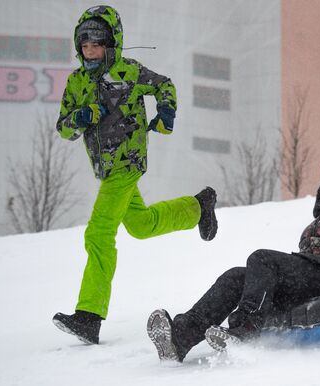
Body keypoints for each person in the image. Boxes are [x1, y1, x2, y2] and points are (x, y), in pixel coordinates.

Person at [147, 142, 320, 362]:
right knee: (237, 276)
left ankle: (245, 330)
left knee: (263, 259)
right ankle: (179, 340)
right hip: (311, 273)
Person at [52, 5, 218, 345]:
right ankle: (197, 207)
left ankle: (89, 315)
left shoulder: (129, 72)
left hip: (127, 162)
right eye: (85, 47)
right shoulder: (77, 81)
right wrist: (80, 118)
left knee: (99, 234)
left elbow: (164, 86)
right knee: (140, 226)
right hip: (105, 168)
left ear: (112, 44)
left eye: (97, 46)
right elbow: (63, 128)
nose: (91, 52)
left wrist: (166, 112)